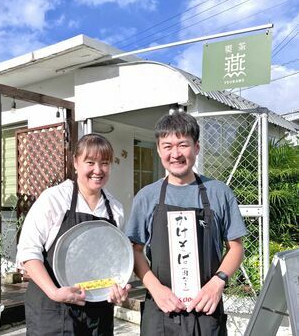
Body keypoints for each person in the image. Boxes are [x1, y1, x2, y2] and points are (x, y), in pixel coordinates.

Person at [125, 111, 247, 336]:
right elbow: (135, 251)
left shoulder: (219, 192)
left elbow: (236, 248)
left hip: (207, 308)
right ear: (159, 150)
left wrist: (217, 283)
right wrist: (155, 288)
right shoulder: (147, 196)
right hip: (161, 310)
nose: (176, 154)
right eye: (168, 146)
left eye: (183, 145)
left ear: (196, 148)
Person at [17, 133, 130, 336]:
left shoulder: (115, 209)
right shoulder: (54, 199)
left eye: (104, 163)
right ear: (76, 163)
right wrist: (54, 292)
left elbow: (114, 261)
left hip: (98, 311)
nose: (98, 170)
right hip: (53, 308)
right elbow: (28, 252)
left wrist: (117, 290)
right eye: (90, 162)